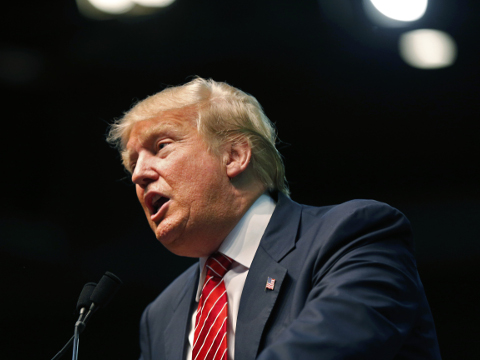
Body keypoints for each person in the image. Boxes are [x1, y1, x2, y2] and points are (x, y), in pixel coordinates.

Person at [107, 77, 441, 360]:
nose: (138, 175)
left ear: (234, 156)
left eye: (161, 146)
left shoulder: (353, 235)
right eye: (132, 163)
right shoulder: (160, 314)